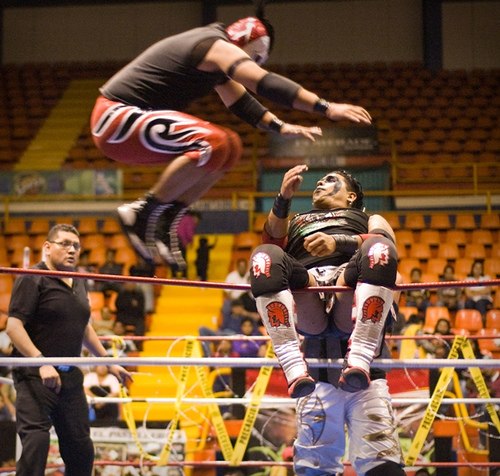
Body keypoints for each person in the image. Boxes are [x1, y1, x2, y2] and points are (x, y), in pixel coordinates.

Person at [90, 2, 371, 271]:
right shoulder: (213, 43)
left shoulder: (215, 60)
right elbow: (262, 82)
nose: (246, 65)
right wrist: (326, 107)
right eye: (249, 59)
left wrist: (282, 126)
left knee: (230, 148)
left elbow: (243, 104)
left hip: (126, 128)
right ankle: (143, 211)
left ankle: (168, 217)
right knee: (214, 142)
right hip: (114, 117)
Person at [249, 166, 405, 475]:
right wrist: (283, 197)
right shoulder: (296, 222)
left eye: (331, 179)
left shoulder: (368, 218)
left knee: (381, 464)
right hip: (310, 312)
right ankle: (290, 360)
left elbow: (385, 243)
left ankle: (360, 352)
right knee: (264, 255)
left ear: (351, 195)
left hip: (352, 295)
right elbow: (271, 241)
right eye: (320, 179)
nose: (320, 182)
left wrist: (339, 244)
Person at [5, 223, 132, 476]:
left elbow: (84, 327)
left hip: (70, 377)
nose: (72, 249)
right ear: (47, 247)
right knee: (36, 445)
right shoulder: (33, 277)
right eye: (65, 244)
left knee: (81, 449)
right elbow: (13, 326)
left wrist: (108, 360)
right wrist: (41, 362)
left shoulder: (80, 280)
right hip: (34, 376)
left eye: (76, 245)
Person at [171, 210, 201, 278]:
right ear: (195, 217)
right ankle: (184, 276)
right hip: (180, 241)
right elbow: (189, 232)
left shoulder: (180, 218)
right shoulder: (189, 219)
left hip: (173, 239)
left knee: (174, 258)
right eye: (198, 220)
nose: (197, 223)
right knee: (183, 258)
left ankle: (174, 275)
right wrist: (191, 241)